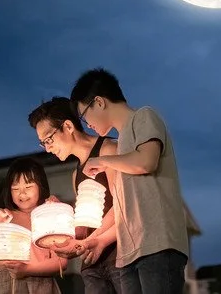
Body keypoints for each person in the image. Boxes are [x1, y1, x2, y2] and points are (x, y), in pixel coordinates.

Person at [69, 67, 189, 294]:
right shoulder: (120, 144)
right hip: (128, 254)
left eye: (84, 116)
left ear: (99, 102)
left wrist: (104, 161)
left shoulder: (143, 116)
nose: (87, 124)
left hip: (157, 246)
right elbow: (123, 208)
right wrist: (101, 240)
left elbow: (146, 161)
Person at [28, 96, 122, 294]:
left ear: (68, 126)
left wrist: (89, 242)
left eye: (49, 139)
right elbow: (82, 229)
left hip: (120, 256)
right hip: (91, 265)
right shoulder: (75, 173)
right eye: (42, 143)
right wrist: (61, 220)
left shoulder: (109, 150)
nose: (47, 148)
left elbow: (122, 206)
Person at [0, 157, 68, 294]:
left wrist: (27, 269)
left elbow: (61, 262)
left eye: (28, 187)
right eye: (15, 188)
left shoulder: (50, 214)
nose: (22, 193)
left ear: (41, 186)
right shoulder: (5, 217)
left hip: (40, 284)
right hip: (5, 284)